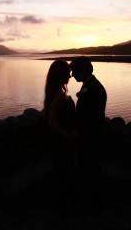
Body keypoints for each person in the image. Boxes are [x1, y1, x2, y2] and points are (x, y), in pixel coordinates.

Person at [70, 56, 107, 213]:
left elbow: (88, 117)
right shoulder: (91, 85)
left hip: (89, 138)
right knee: (91, 169)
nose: (72, 75)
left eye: (74, 71)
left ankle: (91, 204)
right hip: (91, 136)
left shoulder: (92, 88)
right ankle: (93, 201)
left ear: (81, 71)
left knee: (89, 169)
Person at [43, 60, 76, 213]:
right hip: (61, 142)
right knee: (63, 173)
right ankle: (62, 207)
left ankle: (61, 204)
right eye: (67, 73)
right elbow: (52, 123)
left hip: (60, 142)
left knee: (62, 172)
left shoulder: (55, 93)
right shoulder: (58, 97)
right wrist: (69, 136)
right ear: (60, 75)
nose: (70, 75)